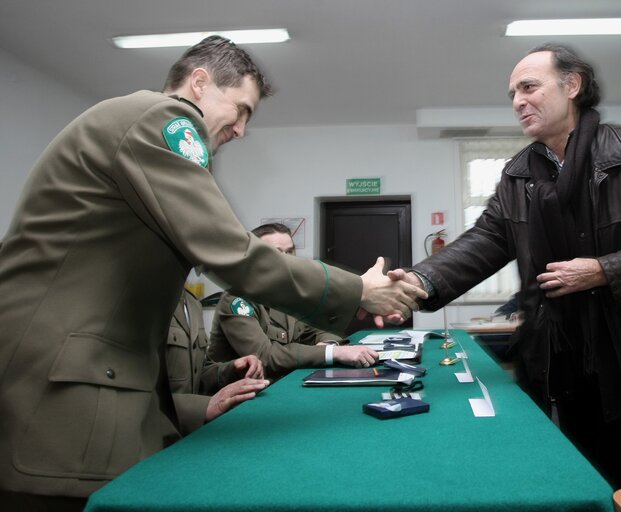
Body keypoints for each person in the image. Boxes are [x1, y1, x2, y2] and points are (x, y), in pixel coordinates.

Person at [0, 35, 425, 508]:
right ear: (199, 83)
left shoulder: (130, 125)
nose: (242, 129)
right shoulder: (161, 118)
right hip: (59, 386)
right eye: (241, 109)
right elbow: (232, 251)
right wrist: (358, 290)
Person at [388, 43, 621, 489]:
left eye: (528, 87)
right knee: (575, 483)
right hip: (560, 362)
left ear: (572, 86)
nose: (517, 102)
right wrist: (418, 280)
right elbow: (487, 239)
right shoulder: (519, 174)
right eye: (511, 94)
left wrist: (604, 269)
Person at [209, 223, 379, 380]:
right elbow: (264, 356)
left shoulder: (287, 293)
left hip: (280, 383)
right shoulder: (237, 298)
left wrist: (328, 344)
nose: (285, 260)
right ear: (254, 256)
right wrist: (332, 352)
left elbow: (317, 330)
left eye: (290, 252)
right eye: (275, 252)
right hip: (239, 398)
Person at [166, 288, 270, 435]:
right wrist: (202, 407)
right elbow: (134, 396)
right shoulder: (139, 300)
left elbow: (195, 374)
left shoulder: (192, 303)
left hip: (192, 435)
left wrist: (231, 370)